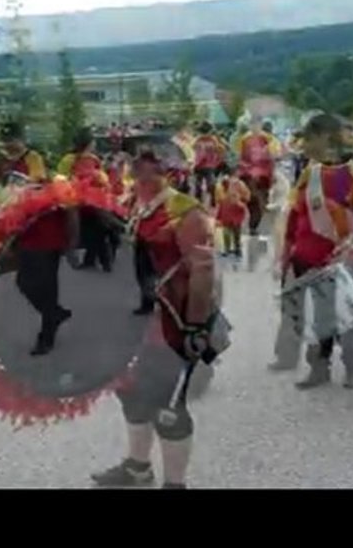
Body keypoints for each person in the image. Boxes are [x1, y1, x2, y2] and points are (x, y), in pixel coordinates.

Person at [91, 148, 217, 489]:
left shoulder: (186, 212)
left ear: (171, 171)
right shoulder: (128, 205)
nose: (144, 175)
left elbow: (202, 273)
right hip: (130, 327)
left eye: (153, 169)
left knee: (168, 407)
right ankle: (137, 467)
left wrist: (196, 327)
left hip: (170, 325)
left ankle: (175, 484)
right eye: (138, 168)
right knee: (131, 395)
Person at [270, 113, 353, 389]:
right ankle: (319, 368)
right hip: (310, 258)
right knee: (319, 317)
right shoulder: (310, 173)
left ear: (325, 137)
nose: (304, 145)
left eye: (309, 138)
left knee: (346, 315)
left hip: (347, 258)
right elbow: (296, 215)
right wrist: (288, 254)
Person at [0, 121, 73, 356]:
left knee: (47, 283)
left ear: (22, 139)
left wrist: (18, 186)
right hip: (23, 230)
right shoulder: (3, 163)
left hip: (46, 226)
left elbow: (36, 181)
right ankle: (55, 314)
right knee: (24, 282)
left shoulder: (34, 158)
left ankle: (46, 334)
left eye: (13, 139)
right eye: (6, 140)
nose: (9, 144)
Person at [58, 127, 113, 271]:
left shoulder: (93, 159)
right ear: (88, 143)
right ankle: (74, 250)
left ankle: (99, 256)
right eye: (93, 141)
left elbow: (103, 178)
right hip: (75, 196)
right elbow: (61, 179)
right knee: (77, 220)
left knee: (101, 220)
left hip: (89, 196)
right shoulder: (70, 159)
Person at [234, 118, 283, 237]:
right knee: (256, 200)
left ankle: (255, 225)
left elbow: (275, 154)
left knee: (256, 200)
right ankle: (255, 225)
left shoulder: (265, 138)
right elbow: (240, 157)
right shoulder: (247, 139)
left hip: (259, 175)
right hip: (254, 174)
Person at [215, 170, 251, 257]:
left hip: (229, 208)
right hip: (233, 209)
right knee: (234, 230)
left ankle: (230, 249)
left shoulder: (222, 185)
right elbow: (247, 196)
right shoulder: (240, 184)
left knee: (229, 230)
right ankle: (236, 249)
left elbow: (218, 198)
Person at [192, 121, 225, 206]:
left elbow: (220, 150)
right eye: (203, 132)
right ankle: (198, 202)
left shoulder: (212, 140)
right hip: (200, 165)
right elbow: (194, 149)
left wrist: (218, 158)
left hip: (208, 165)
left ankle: (212, 201)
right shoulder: (198, 140)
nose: (205, 134)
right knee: (198, 185)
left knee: (210, 184)